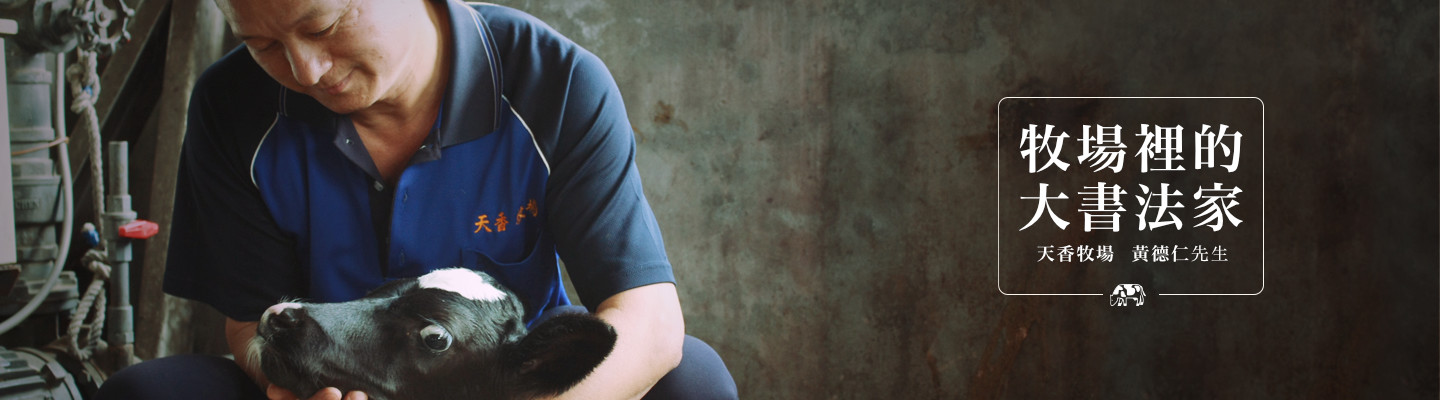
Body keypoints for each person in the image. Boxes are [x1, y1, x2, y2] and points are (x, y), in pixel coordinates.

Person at [94, 0, 737, 399]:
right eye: (263, 45)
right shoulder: (230, 107)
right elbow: (248, 322)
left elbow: (652, 322)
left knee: (695, 383)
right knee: (144, 394)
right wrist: (298, 386)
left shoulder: (557, 84)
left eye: (323, 24)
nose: (306, 71)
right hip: (333, 376)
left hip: (503, 389)